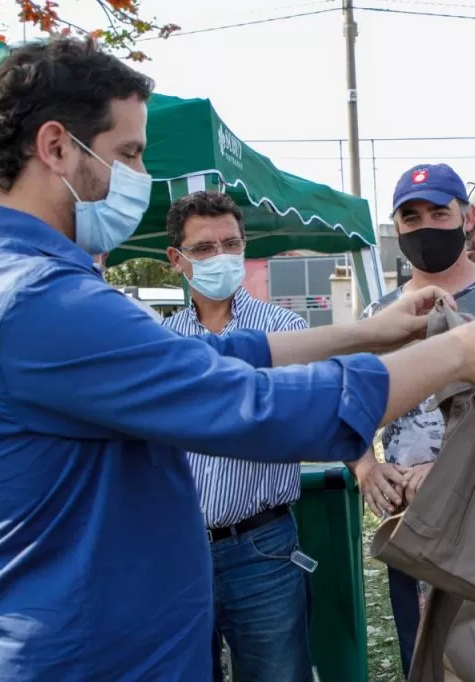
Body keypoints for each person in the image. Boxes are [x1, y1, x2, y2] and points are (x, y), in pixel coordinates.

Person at [0, 37, 475, 682]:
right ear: (57, 146)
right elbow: (254, 405)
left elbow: (206, 354)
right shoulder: (39, 300)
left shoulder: (18, 282)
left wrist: (364, 336)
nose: (137, 176)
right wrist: (459, 350)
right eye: (127, 153)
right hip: (78, 656)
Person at [348, 163, 475, 677]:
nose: (425, 226)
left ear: (466, 216)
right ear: (397, 228)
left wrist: (452, 467)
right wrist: (366, 468)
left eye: (439, 212)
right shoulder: (380, 312)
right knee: (422, 653)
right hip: (408, 517)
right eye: (411, 218)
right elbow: (354, 401)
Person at [161, 190, 314, 682]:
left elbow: (308, 417)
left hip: (262, 548)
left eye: (230, 244)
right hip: (176, 551)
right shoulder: (161, 344)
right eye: (204, 249)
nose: (221, 257)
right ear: (176, 260)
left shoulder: (284, 329)